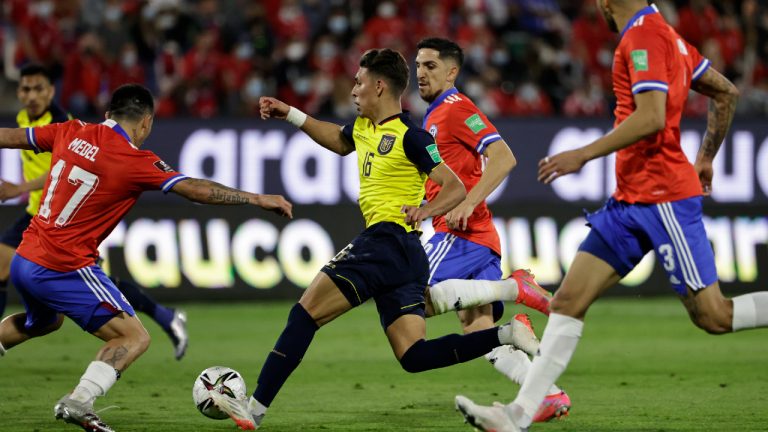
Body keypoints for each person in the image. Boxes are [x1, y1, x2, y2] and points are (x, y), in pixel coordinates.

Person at [454, 1, 768, 431]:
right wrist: (706, 157)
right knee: (567, 301)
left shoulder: (643, 36)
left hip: (663, 200)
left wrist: (582, 154)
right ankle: (518, 415)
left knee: (714, 316)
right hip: (628, 203)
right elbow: (726, 91)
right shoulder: (668, 36)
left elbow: (652, 117)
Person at [209, 48, 540, 431]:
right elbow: (337, 139)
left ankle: (254, 409)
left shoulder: (412, 137)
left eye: (359, 82)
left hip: (386, 240)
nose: (353, 89)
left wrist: (426, 211)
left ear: (379, 86)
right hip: (406, 257)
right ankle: (506, 334)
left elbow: (451, 185)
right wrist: (292, 115)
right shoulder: (364, 128)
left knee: (304, 314)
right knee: (413, 355)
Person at [0, 83, 293, 432]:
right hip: (63, 265)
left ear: (108, 114)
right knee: (134, 337)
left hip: (24, 258)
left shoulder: (70, 129)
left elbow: (9, 136)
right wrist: (256, 199)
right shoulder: (135, 159)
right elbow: (195, 190)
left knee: (46, 322)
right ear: (146, 123)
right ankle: (79, 401)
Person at [414, 37, 571, 422]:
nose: (420, 73)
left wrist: (466, 201)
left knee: (412, 302)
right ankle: (547, 395)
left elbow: (503, 157)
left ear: (452, 72)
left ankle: (516, 288)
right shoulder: (433, 114)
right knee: (479, 330)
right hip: (477, 235)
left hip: (461, 234)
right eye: (417, 65)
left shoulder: (455, 108)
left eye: (430, 66)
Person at [0, 64, 190, 361]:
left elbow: (60, 167)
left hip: (63, 216)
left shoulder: (65, 123)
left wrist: (19, 188)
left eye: (38, 89)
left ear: (51, 92)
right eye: (25, 89)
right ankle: (164, 316)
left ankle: (163, 316)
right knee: (62, 304)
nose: (31, 95)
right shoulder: (25, 118)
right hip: (44, 215)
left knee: (92, 287)